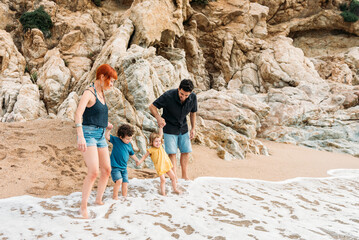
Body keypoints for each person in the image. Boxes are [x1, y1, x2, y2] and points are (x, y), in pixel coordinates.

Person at [74, 64, 117, 219]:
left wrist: (106, 124)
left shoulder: (102, 93)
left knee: (107, 170)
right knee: (93, 172)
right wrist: (80, 136)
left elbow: (97, 114)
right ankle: (83, 207)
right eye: (110, 81)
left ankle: (98, 200)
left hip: (100, 134)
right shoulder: (89, 92)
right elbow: (78, 114)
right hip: (88, 134)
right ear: (102, 77)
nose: (112, 84)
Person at [149, 79, 197, 180]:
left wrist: (193, 128)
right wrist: (158, 117)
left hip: (183, 127)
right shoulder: (168, 96)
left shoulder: (193, 97)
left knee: (186, 151)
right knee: (172, 153)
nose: (183, 97)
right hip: (169, 127)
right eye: (181, 94)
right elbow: (152, 106)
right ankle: (174, 177)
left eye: (186, 95)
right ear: (179, 89)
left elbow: (193, 113)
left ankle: (184, 176)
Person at [137, 127, 181, 196]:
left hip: (166, 165)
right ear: (152, 142)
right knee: (163, 180)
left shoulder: (160, 146)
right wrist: (139, 162)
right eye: (156, 141)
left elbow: (160, 134)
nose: (158, 143)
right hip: (160, 167)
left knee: (173, 177)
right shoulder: (151, 150)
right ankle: (163, 193)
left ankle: (175, 189)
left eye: (159, 141)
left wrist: (160, 127)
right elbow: (144, 156)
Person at [105, 123, 140, 199]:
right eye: (127, 139)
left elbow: (132, 154)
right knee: (119, 181)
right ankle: (115, 197)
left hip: (124, 168)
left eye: (130, 138)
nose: (129, 140)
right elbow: (107, 136)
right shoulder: (116, 140)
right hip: (115, 166)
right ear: (121, 137)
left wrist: (137, 160)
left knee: (125, 183)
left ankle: (124, 198)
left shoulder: (129, 145)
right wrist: (108, 130)